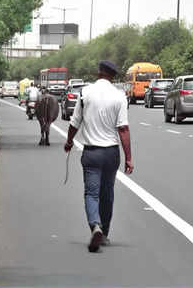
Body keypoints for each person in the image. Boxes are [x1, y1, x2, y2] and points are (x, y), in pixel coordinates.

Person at [64, 60, 133, 253]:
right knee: (107, 193)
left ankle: (95, 226)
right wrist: (128, 157)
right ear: (113, 75)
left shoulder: (85, 93)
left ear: (99, 73)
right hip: (111, 153)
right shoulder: (119, 96)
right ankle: (105, 233)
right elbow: (124, 129)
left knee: (91, 193)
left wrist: (69, 142)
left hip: (92, 153)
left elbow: (75, 122)